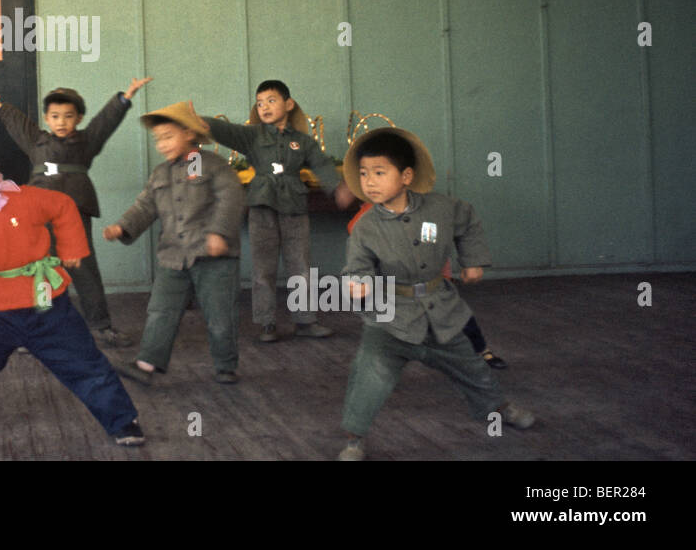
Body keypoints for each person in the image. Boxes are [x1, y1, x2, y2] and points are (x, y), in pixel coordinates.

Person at [338, 127, 533, 461]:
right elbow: (357, 265)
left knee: (472, 366)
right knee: (370, 376)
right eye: (364, 174)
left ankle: (497, 408)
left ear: (406, 176)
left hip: (440, 312)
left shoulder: (440, 208)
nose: (369, 181)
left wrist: (472, 261)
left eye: (379, 173)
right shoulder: (365, 226)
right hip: (390, 319)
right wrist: (357, 282)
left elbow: (468, 221)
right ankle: (354, 438)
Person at [0, 136, 143, 455]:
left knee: (84, 363)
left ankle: (122, 421)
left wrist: (73, 249)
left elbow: (63, 207)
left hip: (46, 304)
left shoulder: (27, 197)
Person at [0, 76, 151, 347]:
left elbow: (105, 122)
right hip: (37, 216)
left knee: (85, 270)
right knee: (38, 271)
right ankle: (35, 330)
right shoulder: (36, 142)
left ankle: (101, 326)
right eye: (55, 116)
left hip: (74, 215)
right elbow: (18, 125)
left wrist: (124, 98)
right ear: (46, 118)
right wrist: (1, 107)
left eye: (68, 116)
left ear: (78, 118)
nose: (61, 121)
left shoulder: (87, 142)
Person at [197, 80, 355, 342]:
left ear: (288, 104)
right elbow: (226, 130)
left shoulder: (303, 142)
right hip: (262, 206)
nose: (264, 107)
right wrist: (201, 122)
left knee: (300, 266)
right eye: (260, 103)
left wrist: (337, 187)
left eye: (271, 100)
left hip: (294, 208)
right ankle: (266, 322)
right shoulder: (252, 136)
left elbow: (321, 165)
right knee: (263, 268)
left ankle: (305, 321)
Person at [103, 102, 246, 385]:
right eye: (158, 139)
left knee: (220, 315)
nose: (161, 144)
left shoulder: (211, 165)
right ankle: (147, 364)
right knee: (160, 310)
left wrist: (219, 232)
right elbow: (145, 206)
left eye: (168, 136)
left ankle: (225, 365)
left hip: (212, 256)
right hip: (173, 256)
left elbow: (231, 198)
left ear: (189, 134)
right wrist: (123, 226)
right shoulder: (160, 174)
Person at [347, 200, 506, 369]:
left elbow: (430, 242)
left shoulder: (426, 211)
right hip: (390, 284)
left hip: (426, 278)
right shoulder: (366, 216)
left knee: (454, 313)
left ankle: (481, 350)